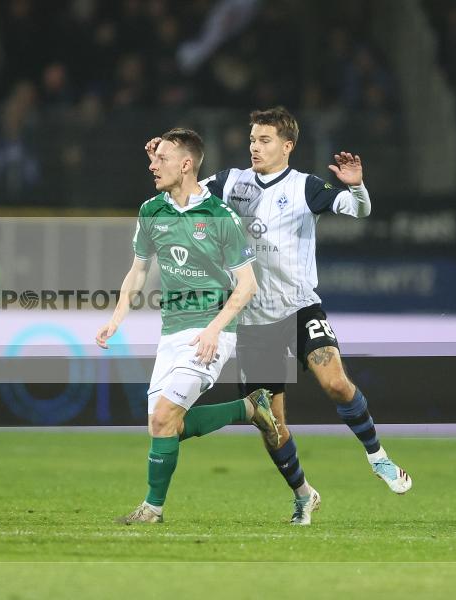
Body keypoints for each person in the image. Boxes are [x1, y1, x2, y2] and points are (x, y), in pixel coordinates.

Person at [146, 107, 412, 526]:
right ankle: (304, 495)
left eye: (265, 140)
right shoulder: (230, 182)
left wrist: (357, 186)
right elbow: (186, 188)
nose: (255, 146)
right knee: (271, 424)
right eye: (253, 139)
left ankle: (378, 456)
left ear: (287, 146)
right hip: (252, 322)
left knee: (336, 383)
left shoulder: (306, 187)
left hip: (298, 308)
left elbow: (358, 209)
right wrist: (163, 159)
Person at [96, 127, 280, 524]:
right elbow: (138, 271)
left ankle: (152, 510)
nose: (152, 166)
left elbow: (248, 285)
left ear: (185, 165)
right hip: (171, 333)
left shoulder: (220, 217)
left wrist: (214, 329)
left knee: (165, 416)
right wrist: (115, 318)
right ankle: (249, 408)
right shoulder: (151, 211)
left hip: (211, 333)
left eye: (161, 159)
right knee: (163, 426)